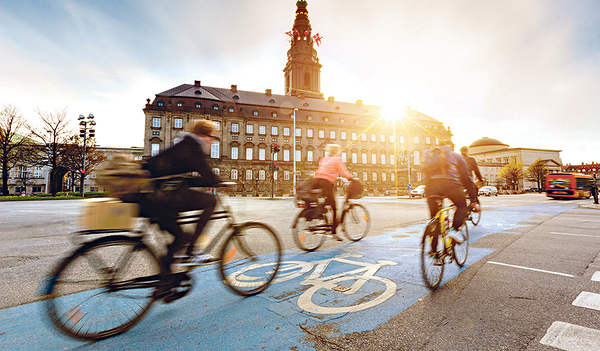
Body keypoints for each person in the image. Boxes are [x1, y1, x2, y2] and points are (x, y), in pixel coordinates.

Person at [139, 120, 222, 269]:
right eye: (212, 137)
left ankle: (166, 283)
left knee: (180, 239)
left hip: (152, 196)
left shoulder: (186, 144)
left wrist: (207, 181)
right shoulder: (193, 146)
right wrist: (219, 182)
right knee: (210, 201)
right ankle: (192, 252)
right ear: (202, 135)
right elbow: (207, 176)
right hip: (156, 199)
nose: (213, 141)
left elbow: (186, 179)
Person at [423, 140, 480, 244]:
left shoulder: (430, 155)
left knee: (435, 218)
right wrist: (473, 199)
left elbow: (424, 173)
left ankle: (434, 254)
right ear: (450, 147)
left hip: (431, 186)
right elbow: (467, 178)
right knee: (462, 206)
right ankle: (453, 230)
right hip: (450, 184)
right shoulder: (456, 156)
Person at [312, 144, 353, 238]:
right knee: (334, 208)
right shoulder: (337, 159)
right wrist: (352, 178)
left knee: (325, 203)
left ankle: (319, 213)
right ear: (335, 151)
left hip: (317, 181)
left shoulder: (323, 159)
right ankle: (333, 232)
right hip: (327, 183)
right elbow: (343, 172)